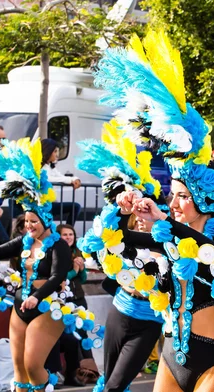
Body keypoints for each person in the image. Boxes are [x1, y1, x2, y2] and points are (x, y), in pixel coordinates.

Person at [94, 31, 214, 392]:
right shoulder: (167, 235)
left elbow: (205, 249)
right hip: (171, 356)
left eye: (182, 196)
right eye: (172, 196)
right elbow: (122, 241)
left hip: (212, 361)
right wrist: (121, 208)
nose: (174, 203)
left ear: (202, 201)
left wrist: (165, 222)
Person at [0, 138, 103, 392]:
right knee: (20, 370)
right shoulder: (25, 241)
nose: (28, 227)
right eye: (26, 222)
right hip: (20, 306)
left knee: (33, 365)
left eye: (33, 222)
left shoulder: (59, 246)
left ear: (45, 221)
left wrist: (36, 296)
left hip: (48, 306)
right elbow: (2, 249)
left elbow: (57, 276)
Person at [75, 122, 167, 392]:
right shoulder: (121, 241)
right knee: (107, 383)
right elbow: (96, 238)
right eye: (136, 214)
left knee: (116, 385)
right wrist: (120, 206)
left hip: (149, 321)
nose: (140, 219)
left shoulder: (166, 244)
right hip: (120, 310)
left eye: (145, 212)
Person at [56, 224, 95, 386]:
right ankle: (73, 373)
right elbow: (61, 278)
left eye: (71, 234)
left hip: (79, 299)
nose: (68, 237)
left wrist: (81, 269)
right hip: (64, 302)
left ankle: (91, 373)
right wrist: (74, 270)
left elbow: (82, 279)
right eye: (64, 235)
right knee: (71, 337)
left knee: (84, 336)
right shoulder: (57, 253)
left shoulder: (76, 253)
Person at [41, 139, 81, 226]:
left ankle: (68, 231)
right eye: (55, 151)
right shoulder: (41, 167)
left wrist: (75, 179)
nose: (57, 155)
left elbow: (61, 177)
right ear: (47, 151)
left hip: (51, 203)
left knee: (75, 207)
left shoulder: (50, 167)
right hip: (43, 205)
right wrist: (71, 180)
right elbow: (48, 179)